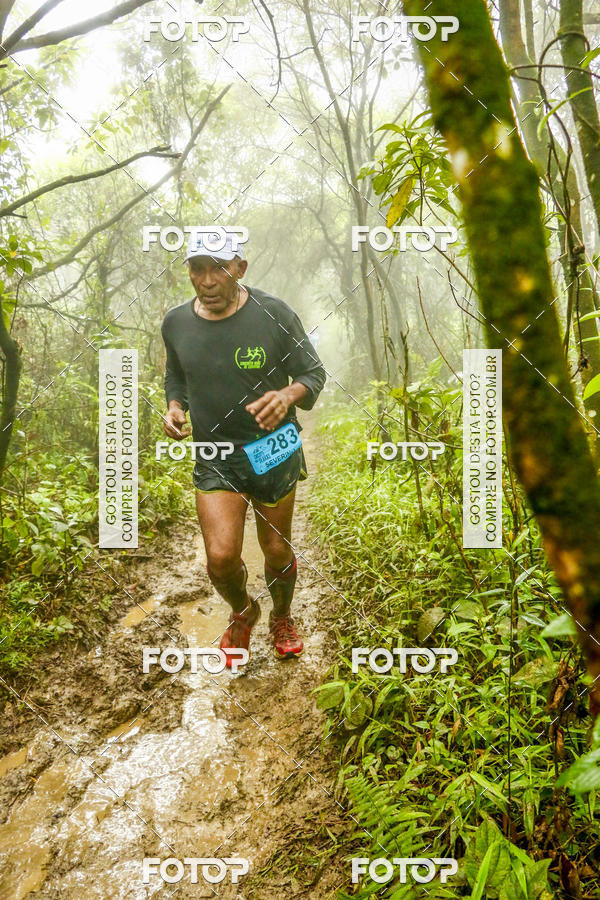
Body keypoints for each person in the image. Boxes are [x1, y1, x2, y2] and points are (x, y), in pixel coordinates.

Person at [160, 230, 326, 666]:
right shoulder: (175, 322)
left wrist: (287, 396)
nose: (208, 279)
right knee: (219, 557)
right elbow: (175, 375)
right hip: (215, 453)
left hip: (274, 446)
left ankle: (283, 617)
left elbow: (313, 374)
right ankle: (244, 610)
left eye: (219, 267)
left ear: (240, 268)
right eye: (198, 268)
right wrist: (176, 406)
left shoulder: (274, 314)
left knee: (275, 548)